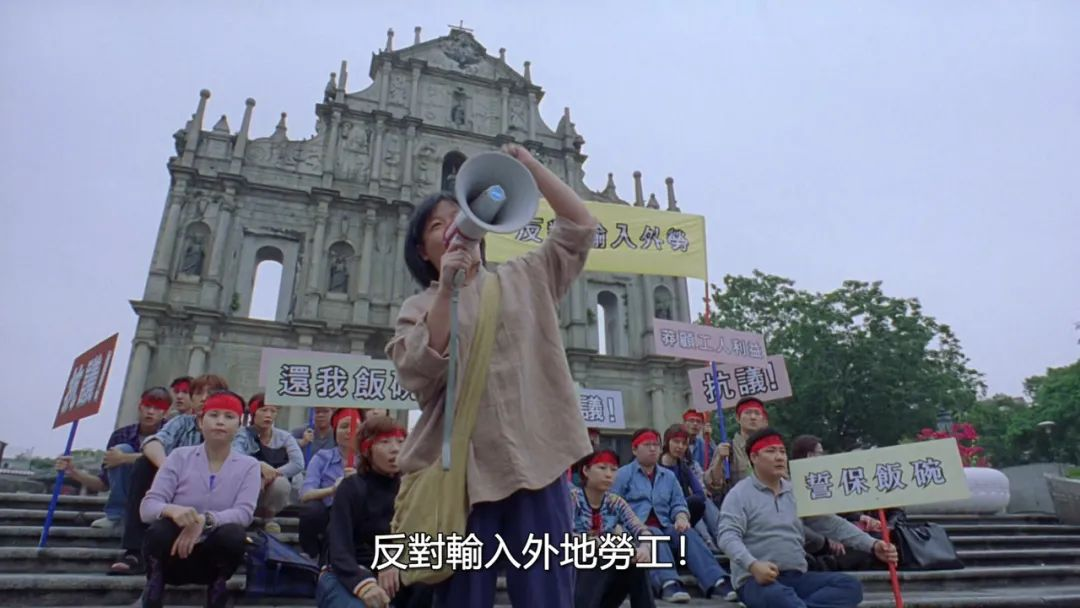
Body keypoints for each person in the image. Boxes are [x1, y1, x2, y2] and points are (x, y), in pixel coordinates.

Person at [387, 144, 596, 607]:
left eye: (458, 216)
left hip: (538, 463)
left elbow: (581, 226)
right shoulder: (417, 308)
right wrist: (448, 289)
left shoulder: (525, 277)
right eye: (436, 227)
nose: (452, 229)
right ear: (421, 250)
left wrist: (531, 168)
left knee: (548, 597)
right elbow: (418, 371)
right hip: (462, 477)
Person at [717, 427, 899, 608]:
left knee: (849, 587)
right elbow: (727, 537)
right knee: (779, 596)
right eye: (771, 451)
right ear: (754, 457)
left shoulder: (797, 492)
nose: (779, 457)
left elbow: (832, 524)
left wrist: (873, 545)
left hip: (796, 578)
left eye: (782, 452)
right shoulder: (739, 494)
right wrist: (753, 565)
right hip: (756, 581)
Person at [138, 390, 261, 608]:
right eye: (213, 415)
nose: (220, 422)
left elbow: (244, 513)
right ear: (201, 421)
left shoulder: (249, 465)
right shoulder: (179, 456)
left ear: (240, 425)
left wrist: (205, 520)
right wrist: (173, 511)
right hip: (174, 551)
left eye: (229, 416)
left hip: (212, 555)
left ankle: (217, 589)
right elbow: (148, 507)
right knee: (159, 529)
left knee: (234, 534)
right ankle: (154, 589)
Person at [110, 374, 231, 575]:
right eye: (198, 393)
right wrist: (169, 469)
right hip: (176, 490)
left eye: (211, 393)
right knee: (143, 464)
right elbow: (153, 443)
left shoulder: (230, 426)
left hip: (212, 496)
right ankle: (134, 551)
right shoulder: (181, 422)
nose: (204, 398)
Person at [317, 416, 433, 608]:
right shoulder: (351, 487)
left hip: (397, 571)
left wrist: (393, 560)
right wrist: (365, 584)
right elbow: (340, 549)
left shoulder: (412, 488)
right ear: (366, 449)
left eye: (400, 442)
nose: (395, 449)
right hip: (350, 573)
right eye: (385, 442)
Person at [612, 428, 734, 603]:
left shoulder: (668, 476)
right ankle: (668, 583)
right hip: (635, 532)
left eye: (656, 445)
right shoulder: (622, 475)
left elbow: (678, 503)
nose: (652, 449)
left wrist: (681, 517)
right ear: (634, 449)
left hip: (666, 526)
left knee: (687, 533)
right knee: (654, 534)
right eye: (647, 445)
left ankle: (717, 581)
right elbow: (612, 507)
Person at [54, 387, 169, 528]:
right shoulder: (121, 435)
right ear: (140, 407)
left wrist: (125, 458)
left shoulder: (172, 433)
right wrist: (73, 472)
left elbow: (169, 461)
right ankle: (116, 516)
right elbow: (104, 484)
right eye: (147, 406)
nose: (150, 412)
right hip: (129, 495)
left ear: (165, 413)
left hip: (159, 496)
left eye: (157, 408)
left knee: (128, 454)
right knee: (122, 448)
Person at [790, 434, 898, 572]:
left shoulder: (824, 481)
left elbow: (831, 519)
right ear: (809, 455)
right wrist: (826, 540)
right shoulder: (794, 487)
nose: (823, 457)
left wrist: (870, 536)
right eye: (820, 453)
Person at [570, 449, 655, 608]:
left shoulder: (616, 502)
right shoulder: (572, 498)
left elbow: (641, 529)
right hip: (576, 572)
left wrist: (645, 547)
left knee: (636, 560)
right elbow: (565, 536)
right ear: (586, 470)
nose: (608, 474)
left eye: (614, 469)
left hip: (606, 570)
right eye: (602, 468)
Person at [234, 393, 304, 534]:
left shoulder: (284, 437)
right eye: (263, 410)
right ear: (254, 412)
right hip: (246, 484)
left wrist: (271, 475)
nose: (268, 415)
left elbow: (298, 463)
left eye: (273, 411)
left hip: (271, 488)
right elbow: (236, 456)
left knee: (281, 483)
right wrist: (258, 467)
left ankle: (269, 518)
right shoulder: (242, 434)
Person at [299, 408, 361, 561]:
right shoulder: (322, 457)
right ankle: (311, 554)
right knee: (311, 510)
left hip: (359, 513)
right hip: (328, 510)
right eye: (344, 426)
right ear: (335, 431)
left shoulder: (370, 459)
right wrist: (333, 490)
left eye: (355, 426)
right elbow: (305, 494)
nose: (349, 431)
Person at [704, 398, 769, 501]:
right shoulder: (728, 448)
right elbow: (713, 485)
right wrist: (719, 460)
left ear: (763, 419)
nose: (753, 417)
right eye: (748, 413)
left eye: (757, 413)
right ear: (738, 419)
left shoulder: (771, 448)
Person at [658, 424, 707, 526]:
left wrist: (680, 504)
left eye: (684, 443)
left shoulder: (683, 467)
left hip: (682, 513)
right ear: (667, 442)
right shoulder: (656, 466)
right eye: (676, 441)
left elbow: (700, 494)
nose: (680, 446)